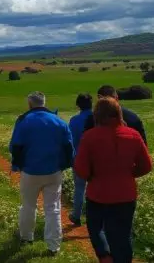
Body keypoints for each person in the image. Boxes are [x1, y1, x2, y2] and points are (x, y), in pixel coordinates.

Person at [74, 97, 153, 263]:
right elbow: (146, 166)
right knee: (123, 234)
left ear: (97, 115)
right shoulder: (133, 135)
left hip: (98, 194)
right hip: (126, 194)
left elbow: (81, 170)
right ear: (118, 113)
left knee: (96, 229)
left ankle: (105, 256)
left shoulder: (89, 137)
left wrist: (92, 176)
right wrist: (128, 174)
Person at [9, 91, 75, 255]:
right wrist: (65, 165)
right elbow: (69, 147)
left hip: (30, 172)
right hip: (54, 171)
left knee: (28, 206)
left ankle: (26, 237)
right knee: (53, 208)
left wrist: (17, 165)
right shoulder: (58, 121)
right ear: (44, 103)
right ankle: (53, 246)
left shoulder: (24, 121)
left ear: (30, 104)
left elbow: (15, 147)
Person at [68, 93, 93, 226]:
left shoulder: (74, 120)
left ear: (78, 105)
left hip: (79, 159)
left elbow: (70, 140)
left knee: (79, 188)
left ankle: (76, 216)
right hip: (97, 160)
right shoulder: (99, 118)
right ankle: (95, 219)